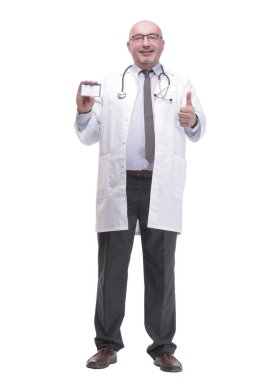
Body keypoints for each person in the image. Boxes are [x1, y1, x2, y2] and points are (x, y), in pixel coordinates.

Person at [74, 19, 206, 373]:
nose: (145, 43)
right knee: (111, 268)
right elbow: (88, 136)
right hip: (120, 185)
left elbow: (198, 128)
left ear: (162, 43)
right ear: (128, 45)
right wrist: (85, 111)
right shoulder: (110, 83)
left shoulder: (180, 84)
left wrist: (192, 118)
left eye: (152, 37)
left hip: (160, 186)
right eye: (138, 38)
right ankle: (107, 344)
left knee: (162, 268)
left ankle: (162, 347)